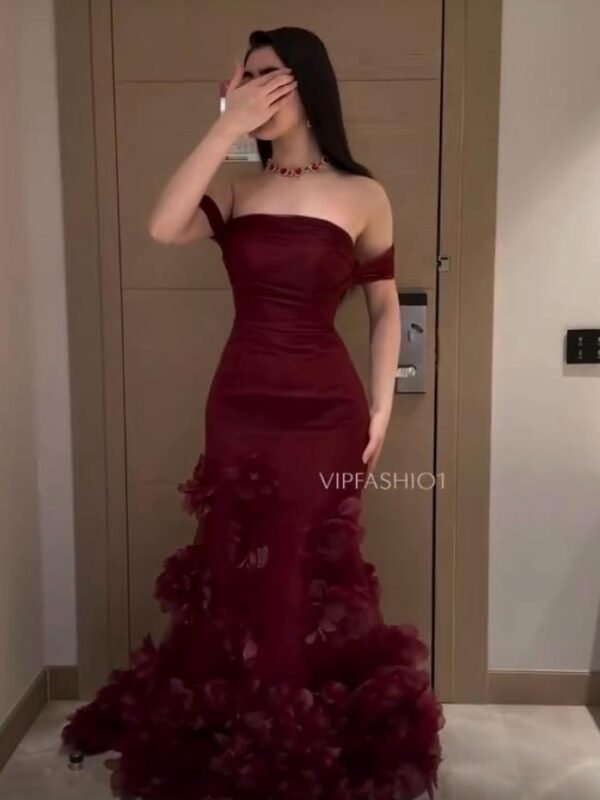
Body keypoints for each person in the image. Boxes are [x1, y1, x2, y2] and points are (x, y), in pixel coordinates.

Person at [61, 26, 445, 800]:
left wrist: (379, 407)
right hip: (240, 402)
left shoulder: (363, 194)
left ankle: (305, 734)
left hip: (327, 409)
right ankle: (240, 728)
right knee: (236, 560)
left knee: (309, 564)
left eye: (266, 74)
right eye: (243, 77)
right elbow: (162, 226)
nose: (250, 86)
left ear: (304, 81)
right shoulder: (237, 186)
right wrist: (226, 127)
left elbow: (382, 309)